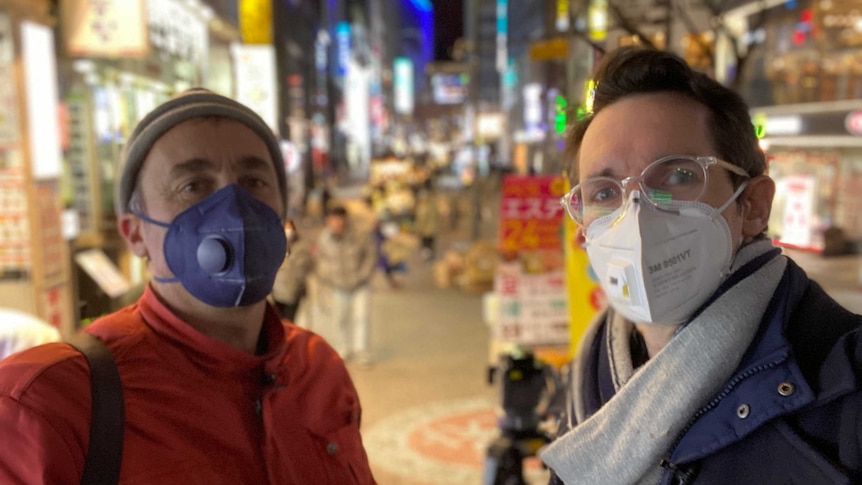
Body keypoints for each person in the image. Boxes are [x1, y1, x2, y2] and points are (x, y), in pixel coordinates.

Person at [0, 88, 375, 484]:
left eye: (254, 180)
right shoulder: (47, 407)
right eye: (192, 185)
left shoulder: (318, 370)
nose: (234, 207)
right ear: (135, 232)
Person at [542, 48, 861, 484]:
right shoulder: (589, 378)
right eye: (603, 193)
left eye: (676, 176)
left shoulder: (845, 387)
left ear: (752, 204)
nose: (636, 212)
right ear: (583, 231)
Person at [315, 204, 378, 366]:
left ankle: (361, 351)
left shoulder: (359, 235)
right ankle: (342, 350)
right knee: (339, 318)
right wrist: (326, 276)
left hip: (360, 284)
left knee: (361, 317)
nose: (336, 223)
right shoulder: (324, 238)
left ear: (345, 219)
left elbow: (371, 254)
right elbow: (321, 259)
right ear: (328, 221)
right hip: (337, 285)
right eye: (332, 220)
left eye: (339, 219)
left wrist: (363, 275)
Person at [271, 219, 314, 323]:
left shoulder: (301, 248)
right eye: (286, 228)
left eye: (290, 228)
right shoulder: (275, 246)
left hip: (293, 292)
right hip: (277, 293)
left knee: (290, 322)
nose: (288, 231)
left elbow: (306, 267)